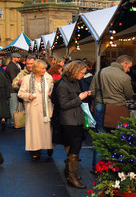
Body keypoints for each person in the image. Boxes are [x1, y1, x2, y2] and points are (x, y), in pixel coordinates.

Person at [89, 55, 134, 173]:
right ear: (123, 64)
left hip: (100, 106)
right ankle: (114, 168)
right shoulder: (125, 77)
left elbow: (92, 91)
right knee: (118, 138)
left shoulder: (99, 72)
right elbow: (129, 94)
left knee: (100, 137)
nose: (129, 70)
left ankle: (97, 168)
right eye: (129, 67)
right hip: (117, 108)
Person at [56, 60, 91, 189]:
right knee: (75, 146)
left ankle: (69, 172)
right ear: (75, 71)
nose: (83, 75)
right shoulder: (63, 85)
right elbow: (63, 105)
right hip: (69, 120)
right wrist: (80, 98)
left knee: (76, 146)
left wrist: (83, 95)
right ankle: (72, 176)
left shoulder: (74, 82)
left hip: (76, 118)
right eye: (82, 73)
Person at [18, 59, 53, 161]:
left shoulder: (48, 78)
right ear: (37, 69)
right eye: (42, 68)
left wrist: (51, 94)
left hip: (46, 108)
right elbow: (20, 93)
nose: (44, 70)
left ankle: (48, 146)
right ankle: (35, 151)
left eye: (45, 68)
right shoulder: (27, 79)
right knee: (34, 132)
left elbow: (52, 90)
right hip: (33, 108)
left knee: (47, 130)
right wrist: (29, 96)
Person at [5, 52, 21, 127]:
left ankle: (11, 122)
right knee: (13, 107)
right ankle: (13, 123)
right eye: (18, 58)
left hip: (12, 89)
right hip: (12, 89)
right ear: (13, 58)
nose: (19, 59)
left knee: (12, 107)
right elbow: (13, 78)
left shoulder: (12, 65)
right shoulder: (11, 66)